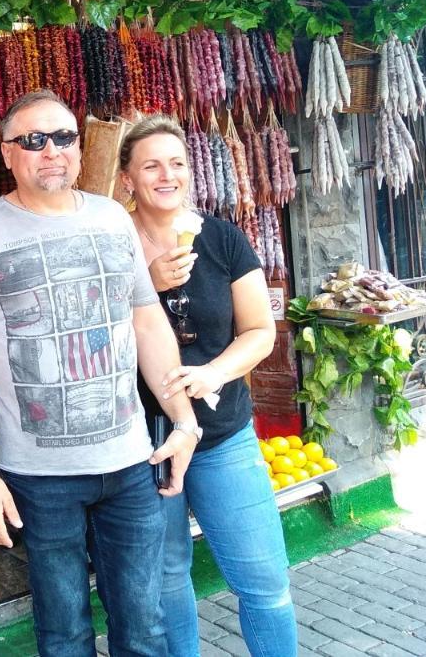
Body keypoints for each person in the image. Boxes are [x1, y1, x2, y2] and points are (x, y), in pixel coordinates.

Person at [0, 90, 201, 657]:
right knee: (63, 636)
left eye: (62, 137)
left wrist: (183, 419)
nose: (50, 150)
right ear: (6, 155)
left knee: (145, 629)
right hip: (38, 477)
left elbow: (147, 321)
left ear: (80, 150)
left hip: (131, 465)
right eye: (32, 140)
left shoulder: (110, 217)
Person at [119, 114, 297, 657]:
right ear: (127, 177)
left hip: (222, 434)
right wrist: (145, 286)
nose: (166, 175)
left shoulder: (221, 237)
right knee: (169, 581)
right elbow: (92, 333)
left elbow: (260, 331)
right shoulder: (111, 240)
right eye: (150, 165)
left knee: (264, 579)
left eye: (176, 163)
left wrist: (214, 373)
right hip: (142, 440)